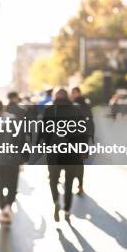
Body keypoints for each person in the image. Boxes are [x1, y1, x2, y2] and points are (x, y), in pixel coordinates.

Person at [42, 88, 85, 222]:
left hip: (54, 152)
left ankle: (56, 200)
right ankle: (67, 209)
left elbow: (44, 133)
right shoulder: (77, 110)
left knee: (53, 180)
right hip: (71, 153)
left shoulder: (49, 110)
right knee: (69, 182)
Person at [0, 99, 26, 224]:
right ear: (4, 108)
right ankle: (8, 206)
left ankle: (4, 208)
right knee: (12, 184)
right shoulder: (13, 119)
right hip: (11, 158)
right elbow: (20, 139)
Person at [70, 86, 94, 195]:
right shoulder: (84, 103)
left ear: (78, 93)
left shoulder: (78, 105)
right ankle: (80, 185)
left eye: (74, 93)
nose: (72, 94)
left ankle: (79, 185)